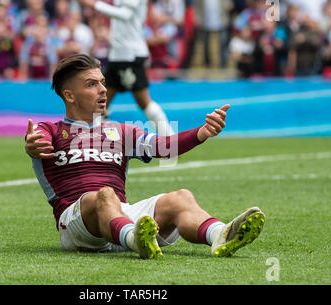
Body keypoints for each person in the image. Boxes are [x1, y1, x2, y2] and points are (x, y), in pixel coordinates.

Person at [24, 54, 266, 259]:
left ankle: (220, 235)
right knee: (103, 194)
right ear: (69, 96)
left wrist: (201, 133)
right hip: (77, 224)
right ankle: (135, 238)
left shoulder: (121, 131)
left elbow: (163, 146)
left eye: (102, 82)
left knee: (181, 197)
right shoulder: (50, 130)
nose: (103, 90)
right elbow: (36, 139)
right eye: (91, 84)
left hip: (119, 218)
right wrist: (34, 144)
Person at [75, 0, 175, 137]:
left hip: (129, 56)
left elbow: (125, 14)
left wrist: (94, 5)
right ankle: (100, 141)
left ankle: (170, 139)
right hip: (118, 55)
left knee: (143, 101)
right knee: (101, 100)